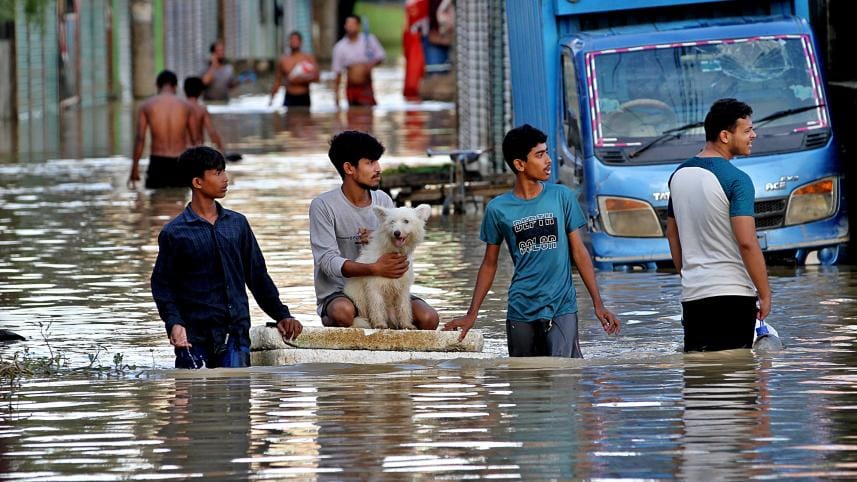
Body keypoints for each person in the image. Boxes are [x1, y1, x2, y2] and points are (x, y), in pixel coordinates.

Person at [443, 124, 620, 357]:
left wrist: (598, 304)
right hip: (520, 310)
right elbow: (489, 264)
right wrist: (471, 314)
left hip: (561, 307)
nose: (548, 160)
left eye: (546, 152)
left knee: (563, 377)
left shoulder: (562, 196)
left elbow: (579, 252)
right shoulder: (498, 209)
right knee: (524, 383)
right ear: (519, 164)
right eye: (539, 155)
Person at [151, 146, 302, 368]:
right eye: (218, 173)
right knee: (194, 398)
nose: (226, 179)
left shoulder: (237, 224)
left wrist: (282, 315)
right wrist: (174, 323)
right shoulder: (174, 232)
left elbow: (257, 276)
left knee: (237, 395)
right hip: (193, 336)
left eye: (224, 172)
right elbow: (162, 285)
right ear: (197, 182)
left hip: (235, 333)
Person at [665, 98, 771, 352]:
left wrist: (689, 276)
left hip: (693, 297)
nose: (753, 135)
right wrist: (765, 292)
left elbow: (672, 235)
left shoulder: (678, 175)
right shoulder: (738, 180)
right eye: (747, 130)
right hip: (732, 295)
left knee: (699, 382)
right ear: (725, 135)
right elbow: (747, 242)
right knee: (736, 381)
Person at [309, 130, 439, 329]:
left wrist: (380, 239)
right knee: (342, 313)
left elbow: (403, 248)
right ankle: (332, 320)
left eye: (377, 162)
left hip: (387, 286)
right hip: (342, 292)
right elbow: (326, 261)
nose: (378, 168)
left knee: (428, 319)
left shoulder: (383, 201)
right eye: (370, 162)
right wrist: (372, 268)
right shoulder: (323, 206)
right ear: (349, 168)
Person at [129, 70, 194, 189]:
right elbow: (195, 140)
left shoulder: (147, 105)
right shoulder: (186, 106)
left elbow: (140, 139)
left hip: (157, 162)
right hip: (180, 162)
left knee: (156, 202)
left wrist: (134, 168)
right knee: (180, 203)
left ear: (158, 86)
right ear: (175, 86)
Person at [332, 15, 386, 107]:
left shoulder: (369, 40)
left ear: (358, 26)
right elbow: (338, 73)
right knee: (352, 114)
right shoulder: (340, 47)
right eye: (348, 24)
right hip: (351, 87)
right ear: (345, 26)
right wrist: (336, 98)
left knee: (368, 114)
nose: (350, 27)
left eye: (353, 24)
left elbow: (381, 56)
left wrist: (371, 64)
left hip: (366, 85)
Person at [269, 31, 320, 108]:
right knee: (288, 118)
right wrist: (271, 99)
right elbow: (277, 81)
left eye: (296, 40)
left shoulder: (308, 58)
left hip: (304, 96)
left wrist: (300, 79)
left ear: (300, 42)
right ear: (289, 42)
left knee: (304, 119)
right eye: (292, 40)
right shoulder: (283, 60)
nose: (294, 42)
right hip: (289, 96)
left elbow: (317, 78)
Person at [183, 76, 225, 152]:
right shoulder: (201, 109)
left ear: (185, 90)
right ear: (200, 92)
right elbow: (212, 133)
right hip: (197, 151)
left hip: (182, 151)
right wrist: (222, 150)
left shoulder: (179, 108)